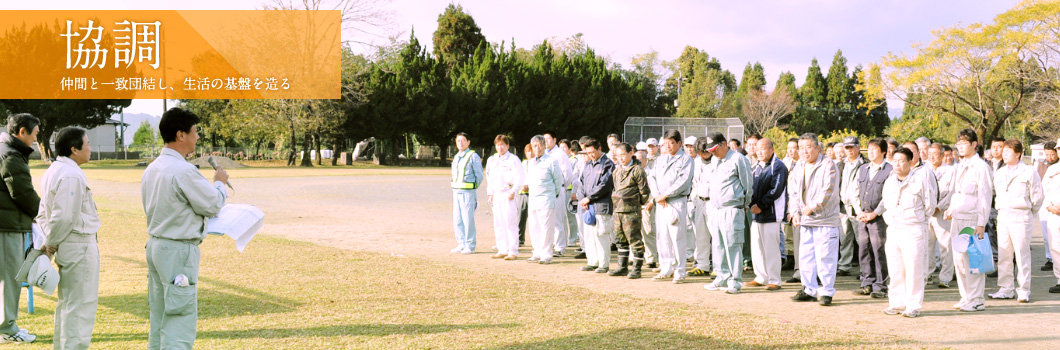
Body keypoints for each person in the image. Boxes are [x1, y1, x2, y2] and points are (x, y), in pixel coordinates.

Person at [141, 108, 228, 349]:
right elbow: (212, 203)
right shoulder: (183, 170)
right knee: (179, 321)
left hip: (156, 245)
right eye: (194, 132)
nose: (197, 137)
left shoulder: (153, 168)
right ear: (181, 135)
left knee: (159, 319)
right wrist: (219, 184)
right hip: (178, 251)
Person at [37, 127, 102, 349]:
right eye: (88, 144)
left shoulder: (55, 169)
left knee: (68, 306)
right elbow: (63, 216)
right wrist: (51, 243)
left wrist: (51, 239)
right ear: (74, 149)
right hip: (78, 245)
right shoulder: (71, 174)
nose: (91, 148)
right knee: (80, 307)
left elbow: (43, 214)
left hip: (69, 244)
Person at [878, 148, 937, 318]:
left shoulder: (920, 181)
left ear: (910, 162)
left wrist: (916, 219)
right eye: (894, 160)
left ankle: (913, 306)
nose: (897, 164)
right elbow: (886, 204)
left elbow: (929, 206)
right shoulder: (889, 181)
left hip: (914, 228)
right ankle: (896, 303)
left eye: (901, 160)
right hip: (894, 228)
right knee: (896, 269)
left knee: (914, 269)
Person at [0, 113, 41, 344]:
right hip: (7, 226)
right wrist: (42, 215)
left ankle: (6, 325)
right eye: (34, 134)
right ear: (22, 132)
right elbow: (23, 193)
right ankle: (6, 329)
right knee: (10, 277)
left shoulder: (5, 150)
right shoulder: (11, 155)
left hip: (5, 223)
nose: (36, 139)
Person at [788, 133, 842, 306]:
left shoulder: (829, 165)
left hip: (825, 220)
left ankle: (826, 291)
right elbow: (794, 192)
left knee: (825, 257)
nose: (804, 151)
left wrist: (814, 206)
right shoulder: (799, 165)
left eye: (808, 147)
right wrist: (795, 212)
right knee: (806, 257)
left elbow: (828, 191)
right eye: (801, 148)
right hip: (805, 220)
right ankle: (808, 289)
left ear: (818, 148)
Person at [944, 128, 993, 312]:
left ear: (974, 144)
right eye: (959, 144)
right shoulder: (960, 166)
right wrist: (951, 209)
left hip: (972, 219)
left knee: (973, 260)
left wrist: (981, 223)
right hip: (958, 217)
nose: (961, 147)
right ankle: (966, 297)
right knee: (959, 260)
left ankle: (977, 299)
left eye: (965, 143)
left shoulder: (981, 167)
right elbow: (957, 193)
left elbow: (985, 197)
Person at [988, 139, 1043, 303]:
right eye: (1003, 151)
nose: (1003, 154)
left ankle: (1024, 289)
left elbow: (1037, 197)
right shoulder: (999, 173)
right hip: (1003, 215)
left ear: (1018, 153)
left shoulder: (1028, 171)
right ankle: (1005, 288)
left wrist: (1027, 212)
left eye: (1007, 151)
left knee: (1021, 254)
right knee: (1004, 254)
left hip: (1021, 216)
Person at [701, 133, 753, 294]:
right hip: (716, 208)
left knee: (733, 244)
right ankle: (721, 276)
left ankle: (735, 280)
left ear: (725, 144)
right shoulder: (715, 160)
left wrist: (744, 203)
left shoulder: (738, 159)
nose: (713, 152)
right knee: (718, 245)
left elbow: (748, 184)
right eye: (711, 150)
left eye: (716, 149)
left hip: (732, 207)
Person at [647, 130, 694, 283]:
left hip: (676, 201)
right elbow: (651, 177)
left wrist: (665, 194)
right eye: (666, 143)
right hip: (660, 202)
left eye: (672, 143)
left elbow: (683, 181)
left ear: (679, 144)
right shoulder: (660, 159)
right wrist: (657, 196)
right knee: (663, 236)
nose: (668, 146)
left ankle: (680, 271)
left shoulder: (686, 160)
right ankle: (666, 268)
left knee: (677, 237)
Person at [745, 138, 787, 291]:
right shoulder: (756, 167)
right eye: (757, 148)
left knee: (771, 248)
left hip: (771, 214)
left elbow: (776, 190)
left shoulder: (778, 166)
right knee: (757, 248)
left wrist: (761, 205)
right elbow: (750, 187)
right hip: (756, 215)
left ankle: (775, 279)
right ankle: (761, 277)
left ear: (772, 149)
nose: (760, 151)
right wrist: (751, 204)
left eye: (763, 148)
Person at [853, 138, 892, 299]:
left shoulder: (890, 170)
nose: (870, 152)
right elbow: (854, 191)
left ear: (883, 151)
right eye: (869, 149)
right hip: (862, 217)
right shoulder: (862, 169)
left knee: (879, 251)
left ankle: (881, 285)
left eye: (874, 149)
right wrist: (859, 211)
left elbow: (888, 196)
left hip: (879, 218)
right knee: (863, 250)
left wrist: (875, 213)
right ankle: (866, 283)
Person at [610, 142, 650, 278]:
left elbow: (644, 191)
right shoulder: (617, 171)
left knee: (635, 240)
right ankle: (622, 267)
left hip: (631, 211)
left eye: (623, 155)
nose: (620, 158)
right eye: (618, 155)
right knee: (620, 239)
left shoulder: (637, 170)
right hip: (618, 210)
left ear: (630, 154)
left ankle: (637, 269)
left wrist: (637, 204)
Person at [577, 137, 615, 273]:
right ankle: (592, 261)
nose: (591, 155)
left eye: (593, 152)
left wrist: (589, 198)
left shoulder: (608, 164)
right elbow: (581, 183)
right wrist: (582, 198)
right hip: (588, 206)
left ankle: (604, 264)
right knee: (589, 235)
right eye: (588, 152)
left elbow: (604, 185)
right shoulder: (588, 165)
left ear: (599, 148)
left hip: (601, 205)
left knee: (601, 235)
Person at [485, 135, 524, 260]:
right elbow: (489, 178)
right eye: (497, 145)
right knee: (499, 223)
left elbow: (520, 177)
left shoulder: (513, 159)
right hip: (497, 194)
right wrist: (490, 193)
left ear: (507, 145)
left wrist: (514, 191)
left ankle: (513, 251)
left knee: (510, 223)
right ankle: (502, 249)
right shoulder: (492, 159)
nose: (500, 147)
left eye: (502, 144)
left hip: (508, 194)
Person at [526, 135, 564, 264]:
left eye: (539, 145)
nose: (537, 148)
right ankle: (537, 252)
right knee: (534, 227)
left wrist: (554, 194)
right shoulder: (531, 162)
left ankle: (546, 254)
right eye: (534, 145)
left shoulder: (551, 161)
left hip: (547, 200)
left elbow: (558, 181)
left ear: (544, 145)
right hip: (533, 200)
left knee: (547, 228)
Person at [928, 143, 956, 288]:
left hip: (942, 212)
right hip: (927, 214)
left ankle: (945, 276)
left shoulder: (951, 171)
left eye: (936, 153)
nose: (932, 156)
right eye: (930, 153)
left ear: (942, 154)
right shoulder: (924, 170)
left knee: (945, 246)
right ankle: (927, 274)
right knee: (927, 246)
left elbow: (952, 192)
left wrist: (939, 207)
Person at [450, 132, 483, 254]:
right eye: (458, 141)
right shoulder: (456, 156)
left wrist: (473, 188)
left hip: (468, 192)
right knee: (457, 219)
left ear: (468, 142)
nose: (460, 143)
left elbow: (479, 176)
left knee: (468, 219)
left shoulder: (473, 156)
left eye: (463, 140)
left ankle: (470, 245)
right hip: (456, 192)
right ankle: (461, 243)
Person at [837, 137, 864, 277]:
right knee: (845, 238)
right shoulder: (840, 164)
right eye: (846, 147)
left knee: (862, 239)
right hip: (843, 206)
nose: (849, 150)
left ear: (858, 147)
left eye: (851, 147)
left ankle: (865, 269)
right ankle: (844, 265)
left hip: (857, 207)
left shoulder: (864, 164)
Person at [543, 132, 574, 256]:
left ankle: (560, 246)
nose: (546, 142)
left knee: (558, 219)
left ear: (554, 140)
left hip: (558, 189)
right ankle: (549, 245)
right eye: (544, 139)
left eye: (548, 139)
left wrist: (563, 187)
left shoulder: (560, 154)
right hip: (546, 191)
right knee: (547, 219)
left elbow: (567, 173)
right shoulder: (543, 154)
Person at [688, 139, 714, 278]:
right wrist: (694, 200)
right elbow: (694, 182)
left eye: (705, 151)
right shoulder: (696, 162)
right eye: (700, 152)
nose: (703, 154)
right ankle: (702, 265)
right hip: (699, 201)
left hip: (713, 202)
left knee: (716, 236)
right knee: (701, 235)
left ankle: (717, 265)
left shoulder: (717, 161)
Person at [1036, 141, 1058, 271]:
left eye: (1052, 154)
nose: (1050, 157)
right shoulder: (1041, 165)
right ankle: (1050, 258)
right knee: (1046, 233)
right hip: (1045, 203)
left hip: (1056, 204)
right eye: (1047, 154)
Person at [783, 138, 801, 277]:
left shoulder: (803, 164)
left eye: (793, 148)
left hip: (798, 204)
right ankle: (790, 258)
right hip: (786, 201)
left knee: (798, 235)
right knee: (787, 233)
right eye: (788, 148)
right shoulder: (786, 162)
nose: (790, 151)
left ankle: (799, 266)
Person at [1044, 139, 1060, 293]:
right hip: (1054, 214)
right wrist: (1049, 206)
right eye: (1059, 148)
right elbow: (1044, 191)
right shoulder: (1052, 170)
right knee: (1055, 247)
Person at [642, 138, 660, 269]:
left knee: (650, 230)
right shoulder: (644, 163)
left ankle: (653, 257)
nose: (651, 149)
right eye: (649, 146)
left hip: (655, 201)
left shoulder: (660, 161)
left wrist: (652, 200)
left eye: (653, 146)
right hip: (641, 203)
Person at [517, 144, 534, 246]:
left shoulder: (538, 163)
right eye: (528, 151)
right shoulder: (522, 163)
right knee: (521, 217)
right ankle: (520, 239)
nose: (530, 153)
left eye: (531, 151)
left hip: (534, 194)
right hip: (523, 194)